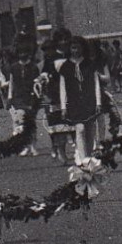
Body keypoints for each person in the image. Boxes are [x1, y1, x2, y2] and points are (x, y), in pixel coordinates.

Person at [39, 30, 89, 162]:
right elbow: (45, 72)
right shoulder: (51, 57)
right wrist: (45, 77)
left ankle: (79, 151)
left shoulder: (72, 55)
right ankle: (61, 151)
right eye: (60, 39)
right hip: (55, 92)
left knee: (75, 123)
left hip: (72, 91)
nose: (63, 42)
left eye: (66, 39)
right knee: (58, 124)